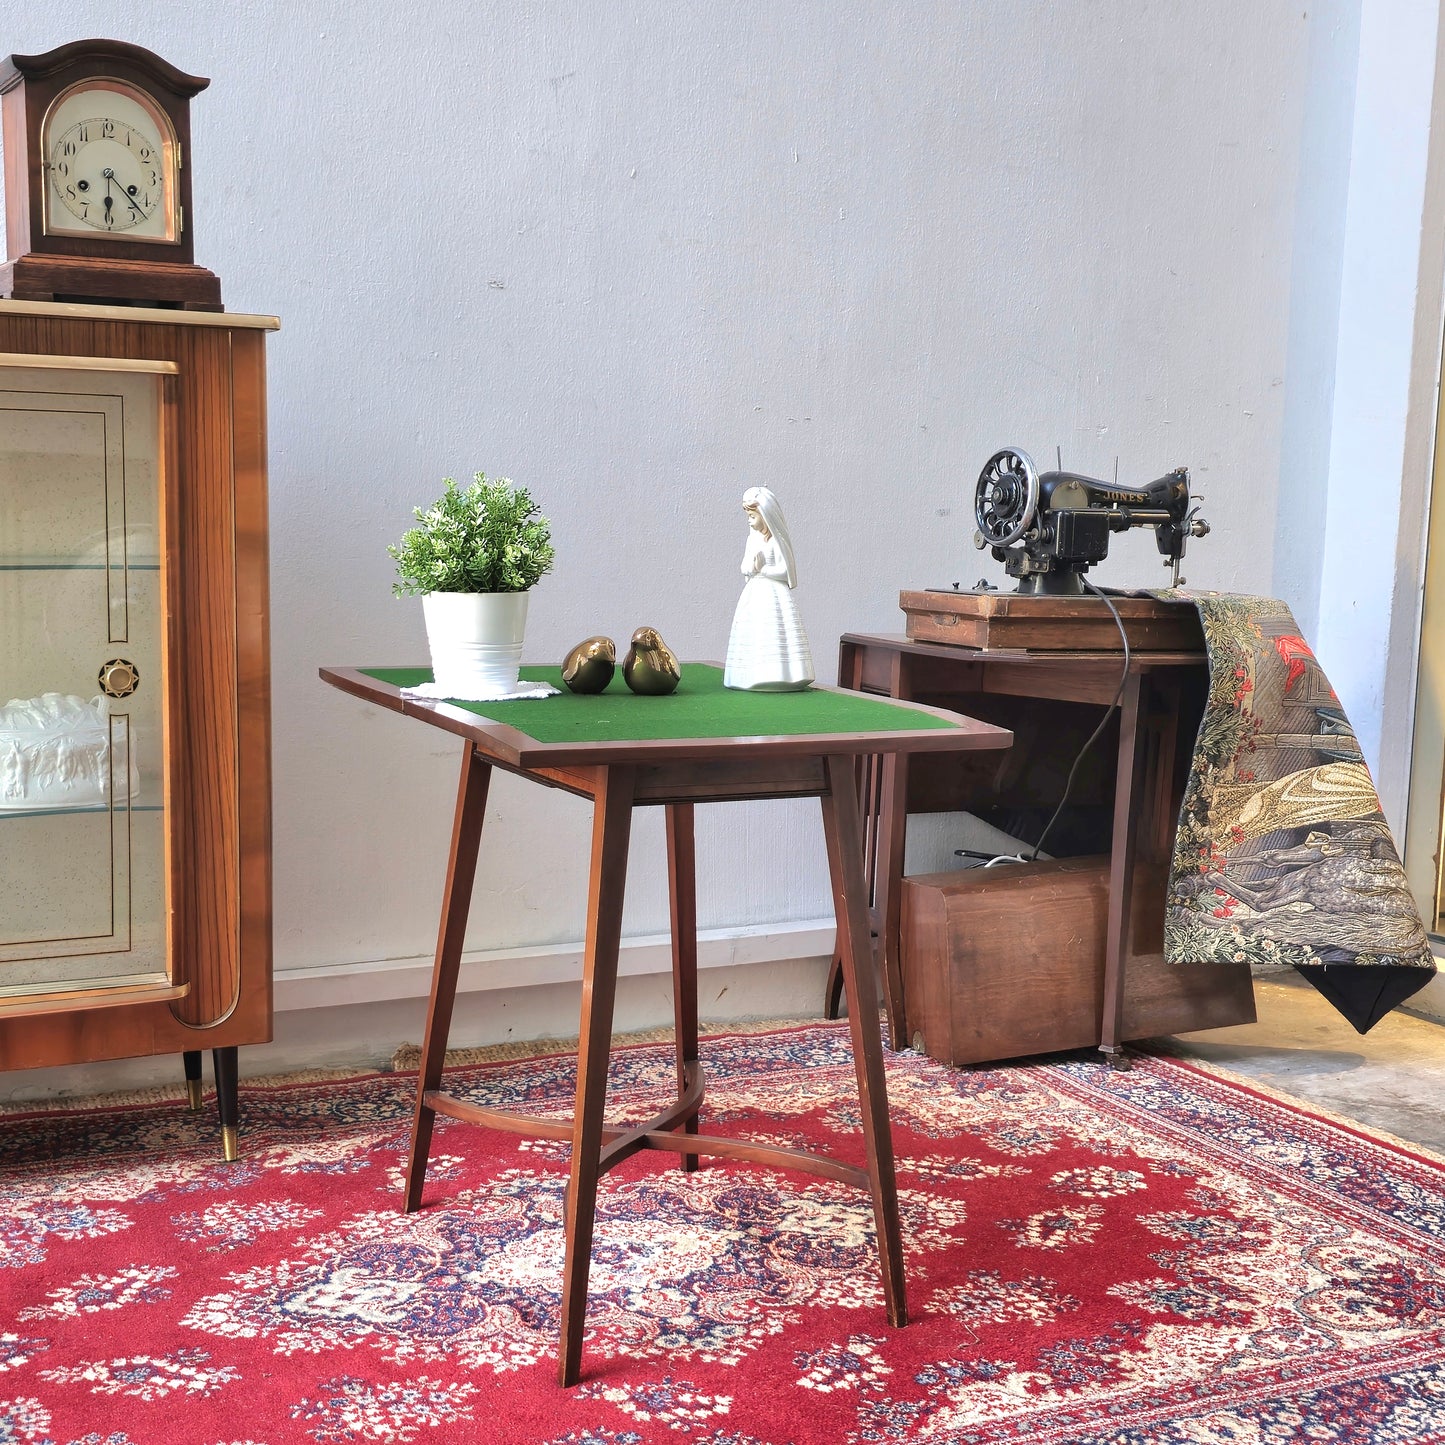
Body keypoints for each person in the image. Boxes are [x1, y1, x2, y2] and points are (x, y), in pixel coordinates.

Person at [723, 486, 815, 691]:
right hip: (755, 594)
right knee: (756, 631)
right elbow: (744, 566)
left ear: (766, 515)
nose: (749, 520)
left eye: (753, 516)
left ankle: (782, 675)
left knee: (776, 631)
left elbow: (785, 570)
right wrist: (752, 567)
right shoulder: (752, 540)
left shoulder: (777, 541)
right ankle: (749, 676)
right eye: (748, 516)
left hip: (774, 593)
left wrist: (764, 569)